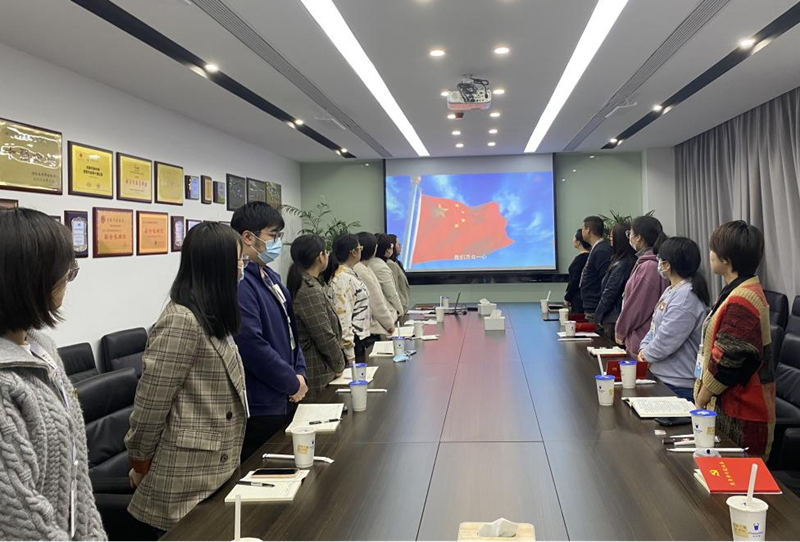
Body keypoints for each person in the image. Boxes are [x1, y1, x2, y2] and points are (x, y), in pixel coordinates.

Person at [126, 222, 247, 535]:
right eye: (238, 261)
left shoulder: (210, 314)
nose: (241, 268)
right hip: (184, 482)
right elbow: (151, 404)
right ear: (217, 267)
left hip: (215, 473)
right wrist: (140, 464)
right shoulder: (181, 321)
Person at [0, 208, 106, 541]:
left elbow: (77, 477)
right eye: (66, 269)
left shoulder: (41, 347)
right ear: (31, 278)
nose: (69, 277)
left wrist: (93, 534)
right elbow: (20, 520)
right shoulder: (5, 384)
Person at [231, 202, 307, 461]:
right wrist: (291, 381)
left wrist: (299, 372)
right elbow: (251, 345)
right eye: (273, 235)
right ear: (248, 237)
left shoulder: (271, 277)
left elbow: (292, 333)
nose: (277, 242)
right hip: (262, 403)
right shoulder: (242, 283)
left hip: (286, 394)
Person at [695, 221, 775, 458]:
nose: (710, 254)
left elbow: (727, 360)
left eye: (713, 249)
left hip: (740, 414)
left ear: (727, 259)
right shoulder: (738, 290)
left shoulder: (742, 298)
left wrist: (702, 397)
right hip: (731, 406)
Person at [638, 237, 710, 402]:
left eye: (660, 259)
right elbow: (655, 329)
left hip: (678, 383)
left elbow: (667, 340)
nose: (658, 263)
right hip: (662, 376)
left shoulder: (686, 296)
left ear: (668, 264)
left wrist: (646, 354)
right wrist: (643, 349)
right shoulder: (671, 290)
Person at [287, 234, 346, 395]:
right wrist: (340, 364)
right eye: (326, 252)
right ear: (320, 256)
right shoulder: (308, 290)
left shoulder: (310, 283)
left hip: (320, 368)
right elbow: (324, 335)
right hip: (317, 372)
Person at [614, 215, 669, 357]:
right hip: (642, 337)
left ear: (638, 237)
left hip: (642, 339)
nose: (629, 237)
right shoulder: (646, 263)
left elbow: (636, 307)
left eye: (630, 233)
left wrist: (620, 330)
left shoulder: (649, 266)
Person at [324, 234, 373, 365]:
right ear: (353, 252)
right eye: (360, 248)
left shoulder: (349, 273)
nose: (361, 251)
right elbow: (343, 317)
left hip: (358, 339)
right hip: (352, 342)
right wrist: (350, 355)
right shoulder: (342, 279)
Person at [594, 222, 637, 337]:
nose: (610, 239)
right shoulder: (623, 260)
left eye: (612, 236)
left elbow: (609, 294)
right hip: (615, 317)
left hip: (613, 319)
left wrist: (597, 317)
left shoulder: (622, 265)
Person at [354, 232, 397, 338]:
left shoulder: (365, 267)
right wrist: (390, 325)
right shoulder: (361, 270)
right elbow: (376, 302)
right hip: (370, 329)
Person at [579, 216, 612, 318]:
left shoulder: (602, 250)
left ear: (588, 230)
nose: (582, 231)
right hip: (590, 304)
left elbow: (605, 280)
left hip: (596, 306)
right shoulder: (597, 248)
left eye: (583, 228)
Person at [371, 233, 404, 318]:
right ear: (386, 249)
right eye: (391, 246)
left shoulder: (371, 263)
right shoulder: (382, 267)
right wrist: (400, 311)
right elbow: (391, 293)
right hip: (386, 313)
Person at [564, 229, 591, 313]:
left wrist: (567, 297)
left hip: (578, 299)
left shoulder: (580, 259)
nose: (572, 240)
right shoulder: (590, 256)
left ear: (578, 242)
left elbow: (575, 280)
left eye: (574, 238)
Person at [387, 234, 410, 316]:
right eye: (398, 244)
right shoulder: (390, 264)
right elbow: (395, 288)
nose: (400, 246)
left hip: (403, 306)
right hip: (398, 308)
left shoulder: (397, 263)